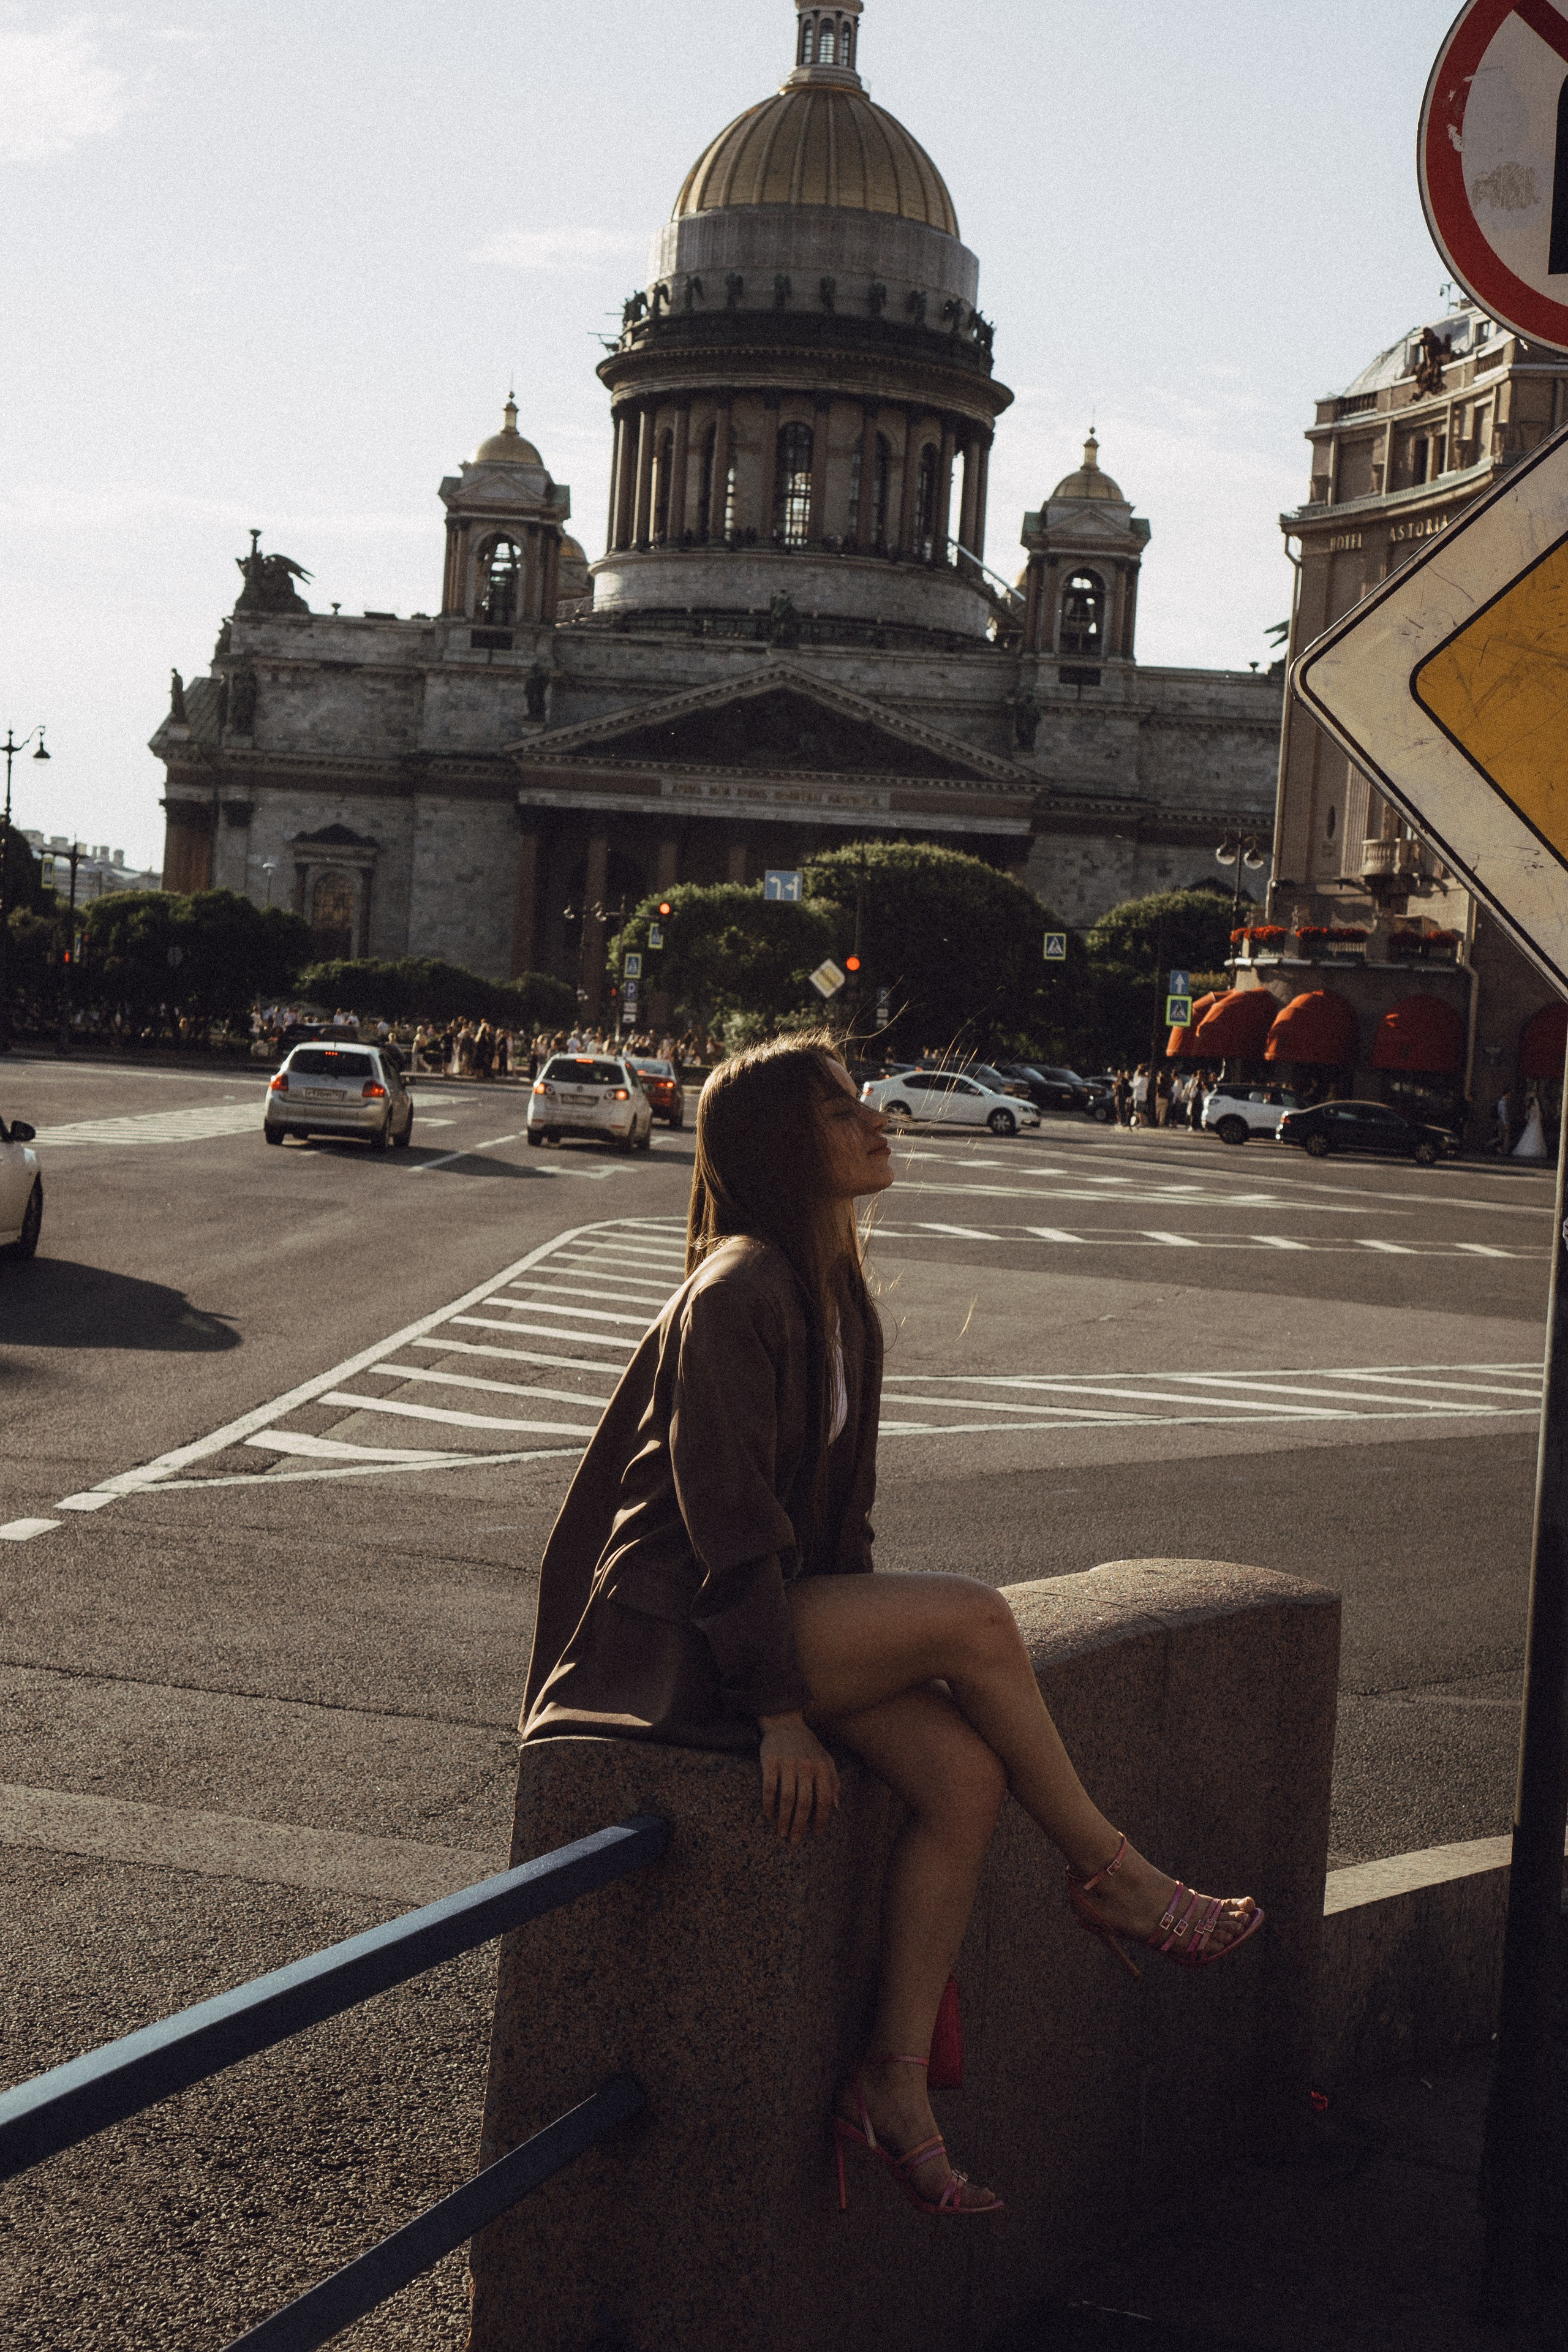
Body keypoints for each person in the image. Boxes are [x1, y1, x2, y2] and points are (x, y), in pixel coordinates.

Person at [520, 1033, 1262, 2221]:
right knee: (976, 1617)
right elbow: (725, 1525)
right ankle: (1114, 1876)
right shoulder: (737, 1290)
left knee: (965, 1779)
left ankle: (892, 2088)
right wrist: (781, 1713)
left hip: (765, 1623)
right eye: (843, 1112)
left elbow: (840, 1531)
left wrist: (855, 1668)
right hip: (677, 1645)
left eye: (867, 1104)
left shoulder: (837, 1300)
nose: (879, 1124)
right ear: (782, 1149)